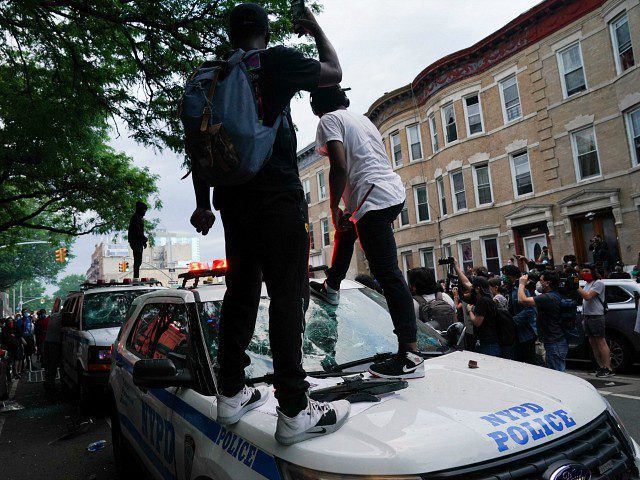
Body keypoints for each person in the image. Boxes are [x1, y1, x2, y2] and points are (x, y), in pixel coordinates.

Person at [189, 3, 348, 445]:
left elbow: (200, 142)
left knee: (240, 293)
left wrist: (204, 203)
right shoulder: (274, 61)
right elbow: (333, 72)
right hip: (276, 197)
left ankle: (232, 392)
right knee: (286, 295)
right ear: (265, 29)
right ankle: (295, 409)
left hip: (232, 201)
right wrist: (315, 28)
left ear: (230, 34)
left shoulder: (213, 77)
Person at [307, 85, 423, 379]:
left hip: (374, 198)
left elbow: (339, 166)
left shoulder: (329, 120)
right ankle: (332, 287)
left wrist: (333, 206)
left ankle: (410, 354)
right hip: (390, 192)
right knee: (348, 228)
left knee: (387, 273)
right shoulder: (361, 119)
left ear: (316, 104)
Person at [517, 270, 567, 372]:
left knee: (558, 376)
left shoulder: (548, 298)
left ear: (547, 283)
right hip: (555, 340)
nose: (538, 283)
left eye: (540, 281)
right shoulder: (554, 295)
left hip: (554, 342)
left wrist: (522, 284)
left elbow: (522, 300)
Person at [578, 266, 613, 377]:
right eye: (583, 271)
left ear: (593, 271)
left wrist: (576, 287)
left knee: (601, 342)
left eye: (587, 271)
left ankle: (608, 368)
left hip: (596, 316)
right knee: (593, 343)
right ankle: (600, 366)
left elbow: (588, 296)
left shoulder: (598, 283)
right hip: (587, 316)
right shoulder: (587, 284)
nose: (584, 273)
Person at [502, 265, 538, 364]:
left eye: (505, 274)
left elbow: (530, 310)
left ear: (511, 275)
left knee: (529, 361)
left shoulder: (522, 290)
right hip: (514, 334)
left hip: (525, 333)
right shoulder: (508, 289)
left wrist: (513, 321)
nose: (503, 277)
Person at [43, 307, 62, 394]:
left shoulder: (53, 317)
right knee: (53, 364)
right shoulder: (61, 318)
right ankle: (51, 384)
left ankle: (48, 382)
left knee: (49, 364)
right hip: (55, 344)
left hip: (47, 342)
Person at [128, 201, 148, 278]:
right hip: (136, 241)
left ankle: (136, 276)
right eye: (144, 211)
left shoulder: (138, 218)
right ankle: (136, 277)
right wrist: (143, 239)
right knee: (137, 261)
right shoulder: (135, 218)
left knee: (138, 261)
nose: (145, 213)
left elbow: (139, 231)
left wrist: (143, 241)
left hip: (138, 241)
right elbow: (137, 231)